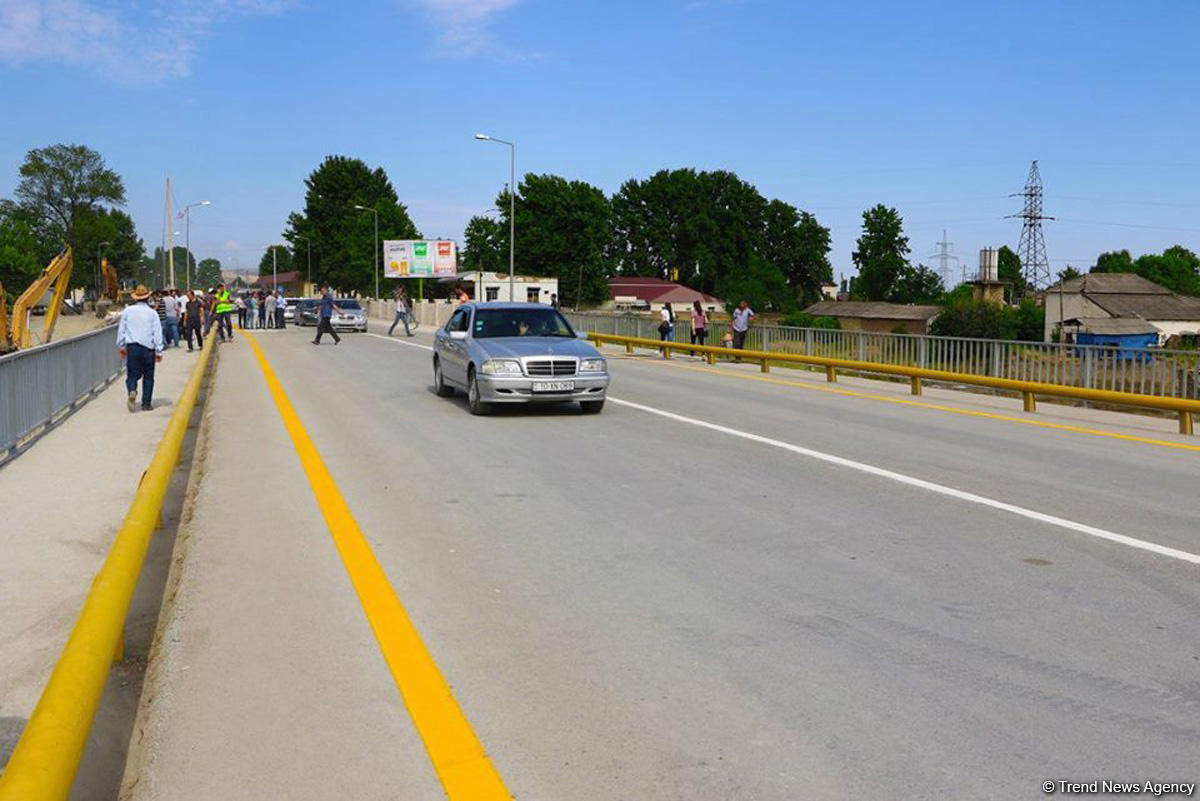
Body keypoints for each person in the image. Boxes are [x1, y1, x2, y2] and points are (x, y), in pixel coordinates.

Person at [116, 285, 164, 412]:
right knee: (148, 376)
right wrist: (159, 351)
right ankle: (146, 404)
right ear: (148, 297)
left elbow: (122, 330)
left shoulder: (128, 311)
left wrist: (122, 346)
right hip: (148, 348)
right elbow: (157, 332)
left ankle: (132, 389)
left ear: (135, 298)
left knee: (132, 374)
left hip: (133, 348)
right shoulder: (152, 313)